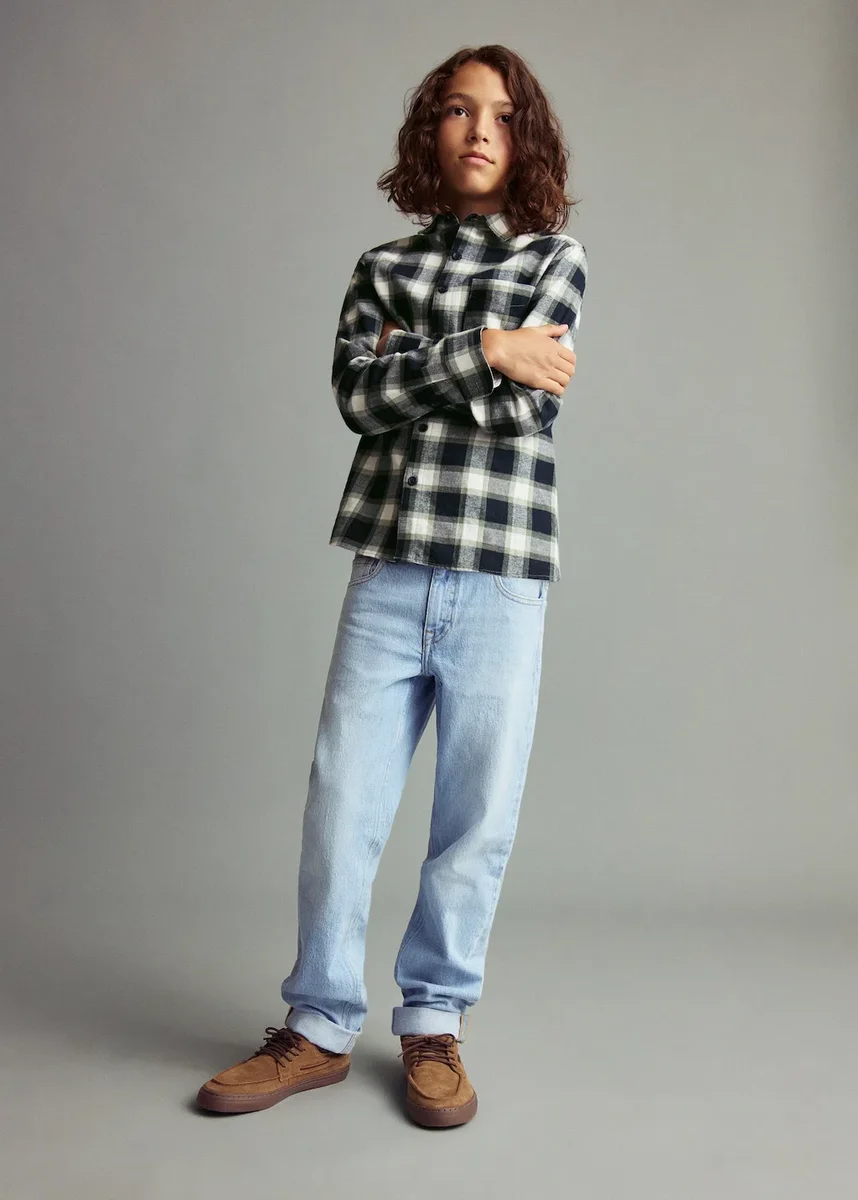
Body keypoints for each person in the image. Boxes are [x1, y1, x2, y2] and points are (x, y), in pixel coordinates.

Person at [197, 43, 588, 1128]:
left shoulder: (557, 260)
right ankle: (319, 1025)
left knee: (476, 818)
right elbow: (358, 401)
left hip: (501, 576)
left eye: (501, 114)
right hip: (387, 565)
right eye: (458, 110)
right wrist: (490, 347)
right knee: (341, 807)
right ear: (431, 132)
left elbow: (528, 407)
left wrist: (434, 358)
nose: (479, 129)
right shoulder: (380, 266)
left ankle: (433, 1023)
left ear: (525, 138)